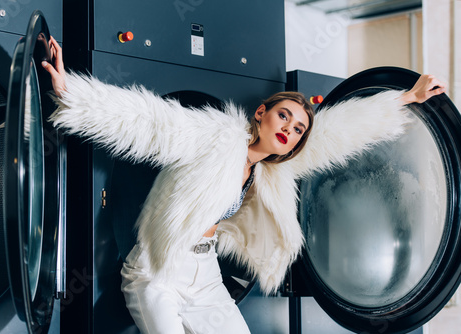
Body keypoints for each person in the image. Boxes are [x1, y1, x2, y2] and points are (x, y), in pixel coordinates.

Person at [42, 35, 446, 334]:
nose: (291, 128)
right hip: (157, 269)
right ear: (261, 113)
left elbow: (341, 131)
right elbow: (151, 122)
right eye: (285, 116)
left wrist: (405, 98)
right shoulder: (214, 136)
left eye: (300, 127)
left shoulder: (272, 170)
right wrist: (70, 92)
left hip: (205, 272)